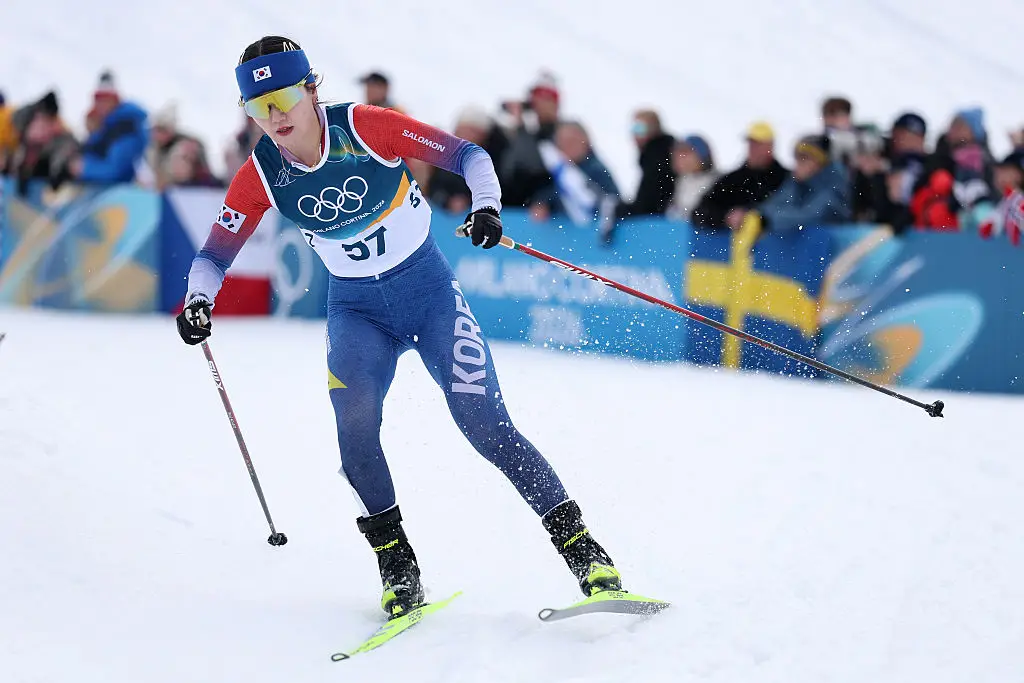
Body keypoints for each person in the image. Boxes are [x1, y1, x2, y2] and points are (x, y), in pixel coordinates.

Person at [174, 36, 623, 619]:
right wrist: (198, 300)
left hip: (429, 295)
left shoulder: (366, 127)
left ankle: (585, 554)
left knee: (484, 423)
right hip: (358, 312)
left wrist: (485, 205)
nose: (275, 117)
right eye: (258, 107)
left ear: (312, 90)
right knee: (354, 428)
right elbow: (213, 254)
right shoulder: (261, 172)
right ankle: (398, 568)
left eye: (284, 97)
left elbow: (470, 157)